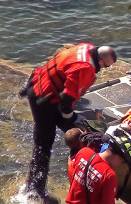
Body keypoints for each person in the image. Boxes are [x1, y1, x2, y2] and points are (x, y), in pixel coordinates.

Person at [20, 43, 117, 202]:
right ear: (100, 61)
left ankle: (82, 172)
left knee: (81, 134)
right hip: (43, 101)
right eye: (105, 66)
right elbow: (66, 103)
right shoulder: (86, 68)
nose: (103, 69)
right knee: (43, 146)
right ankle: (35, 192)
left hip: (35, 82)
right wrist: (72, 118)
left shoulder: (86, 47)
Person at [66, 134, 131, 204]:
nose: (121, 165)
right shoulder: (109, 175)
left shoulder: (83, 152)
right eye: (122, 162)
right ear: (116, 157)